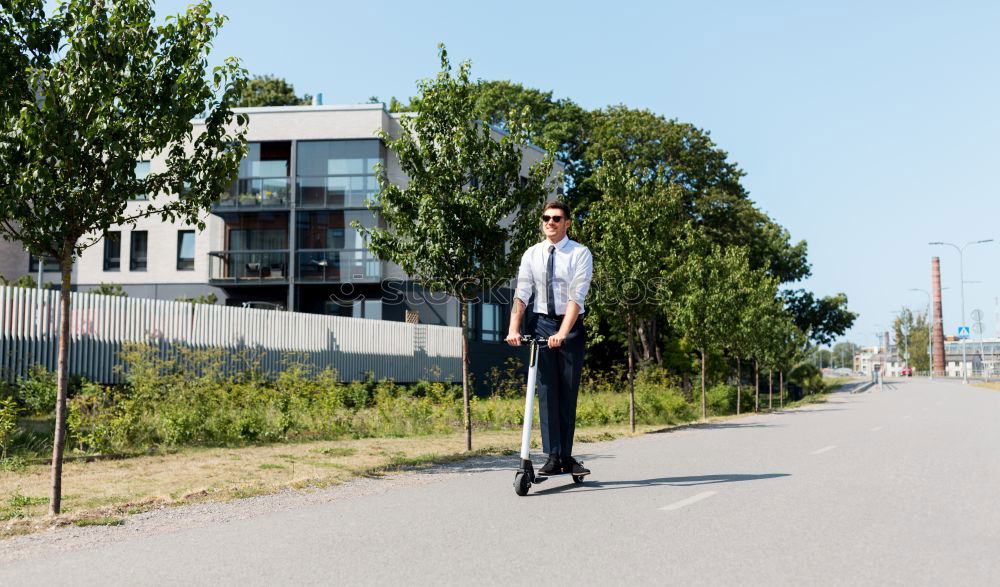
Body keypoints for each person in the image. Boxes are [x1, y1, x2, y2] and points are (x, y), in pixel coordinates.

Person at [506, 201, 593, 476]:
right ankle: (553, 456)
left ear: (567, 222)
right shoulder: (532, 254)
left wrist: (563, 333)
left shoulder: (580, 253)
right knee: (546, 391)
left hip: (571, 326)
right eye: (546, 217)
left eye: (556, 218)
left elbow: (576, 298)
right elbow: (522, 293)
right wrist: (513, 328)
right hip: (541, 323)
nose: (550, 222)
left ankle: (566, 455)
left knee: (566, 392)